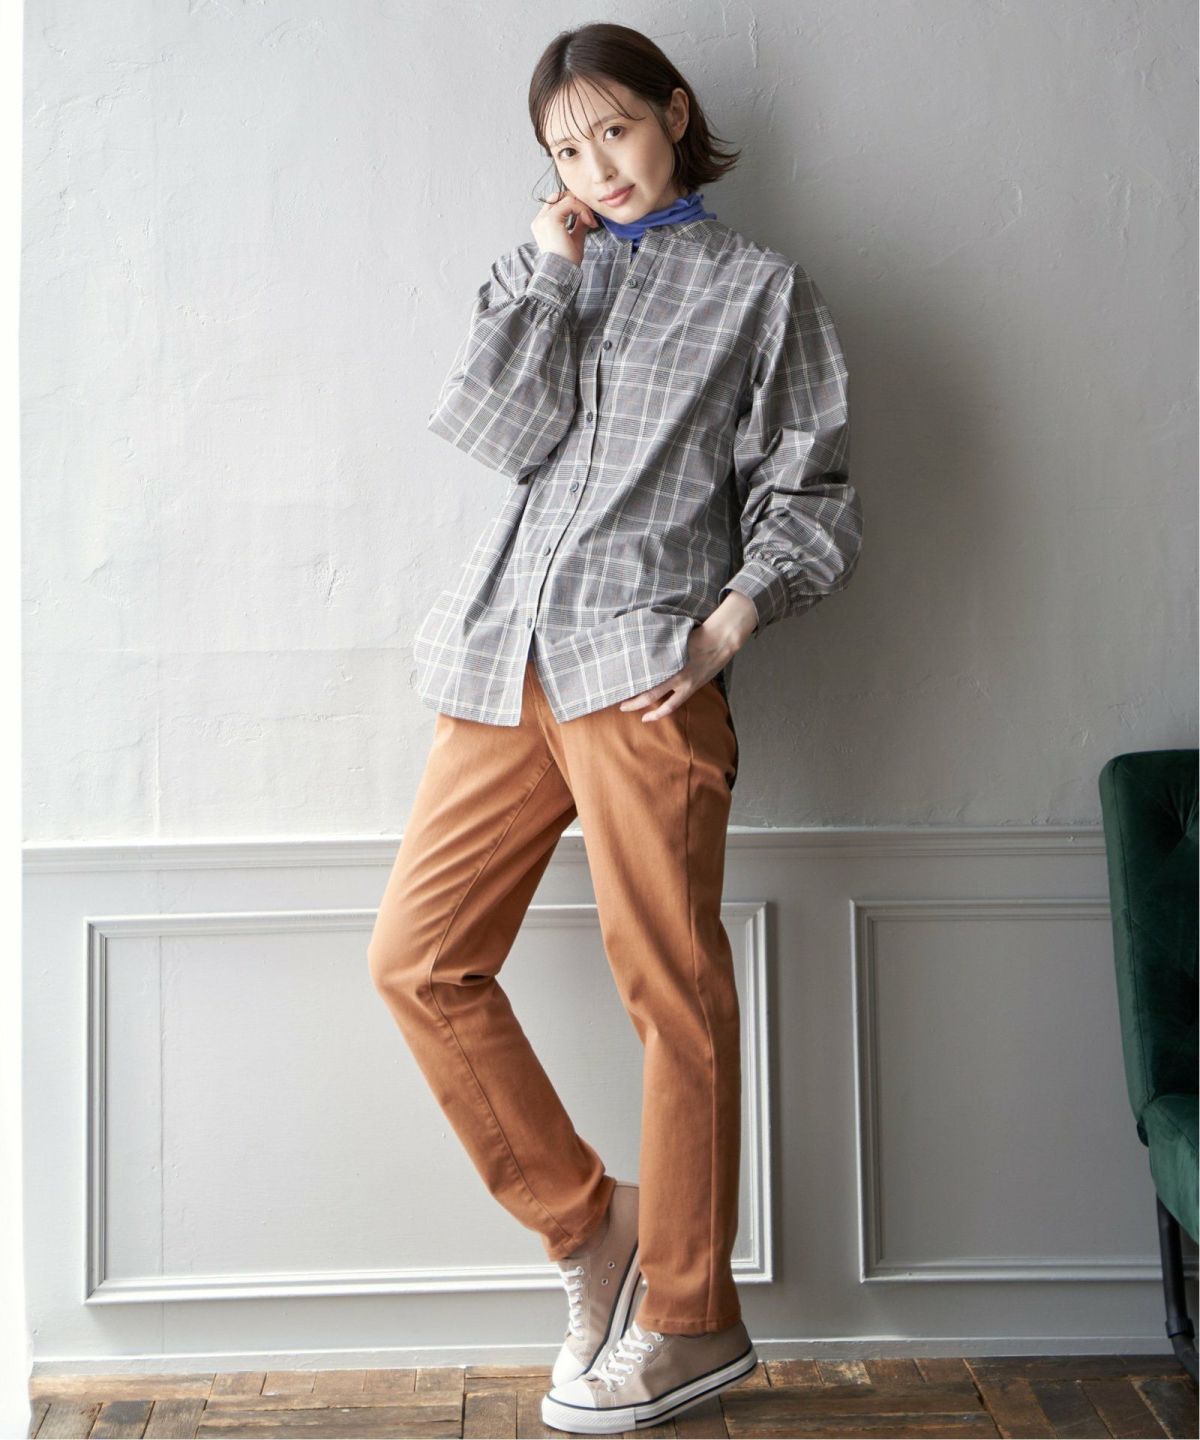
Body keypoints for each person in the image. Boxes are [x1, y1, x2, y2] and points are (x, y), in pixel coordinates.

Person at [367, 20, 862, 1434]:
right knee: (417, 961)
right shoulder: (544, 275)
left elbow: (815, 492)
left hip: (645, 668)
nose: (598, 166)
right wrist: (551, 270)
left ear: (673, 114)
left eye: (616, 132)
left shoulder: (763, 291)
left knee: (672, 990)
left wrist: (731, 623)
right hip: (502, 661)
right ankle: (592, 1227)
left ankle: (694, 1321)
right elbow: (493, 433)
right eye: (567, 150)